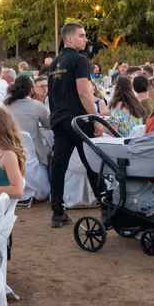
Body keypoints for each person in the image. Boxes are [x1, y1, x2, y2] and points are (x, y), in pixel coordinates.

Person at [46, 23, 99, 229]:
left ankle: (58, 211)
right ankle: (106, 206)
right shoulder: (79, 60)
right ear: (69, 38)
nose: (86, 40)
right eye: (82, 36)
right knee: (92, 163)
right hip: (78, 120)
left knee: (59, 165)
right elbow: (84, 92)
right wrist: (95, 118)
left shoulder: (54, 63)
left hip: (59, 119)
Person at [5, 75, 50, 165]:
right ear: (31, 89)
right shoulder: (36, 105)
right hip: (33, 152)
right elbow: (49, 125)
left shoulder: (6, 105)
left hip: (11, 149)